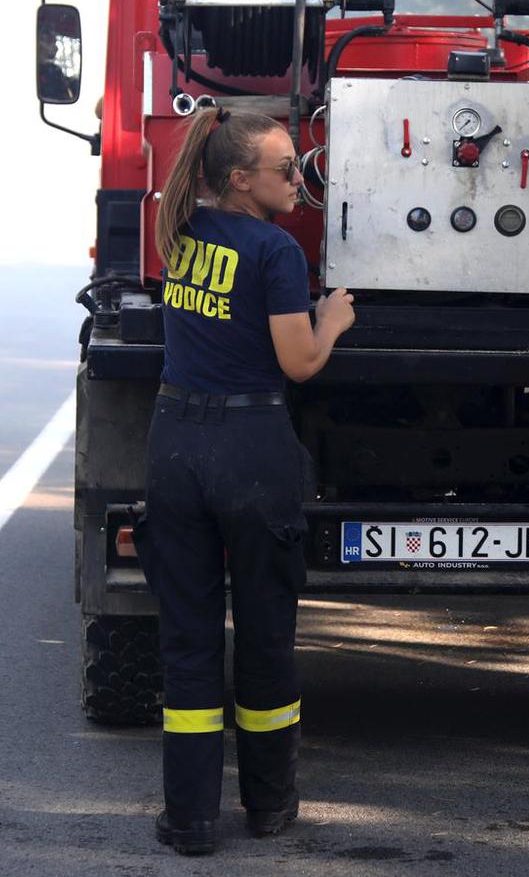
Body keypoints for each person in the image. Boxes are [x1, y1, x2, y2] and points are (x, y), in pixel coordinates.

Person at [137, 105, 355, 856]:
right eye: (286, 168)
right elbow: (298, 364)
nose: (300, 177)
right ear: (241, 178)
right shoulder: (275, 250)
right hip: (250, 447)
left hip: (173, 443)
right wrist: (332, 319)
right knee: (265, 632)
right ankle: (268, 807)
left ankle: (190, 820)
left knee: (189, 639)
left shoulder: (180, 233)